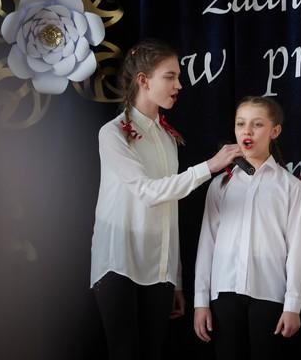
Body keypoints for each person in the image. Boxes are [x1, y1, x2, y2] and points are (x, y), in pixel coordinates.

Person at [90, 39, 243, 360]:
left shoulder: (167, 138)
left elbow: (169, 211)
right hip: (119, 263)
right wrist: (209, 166)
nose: (179, 85)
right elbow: (148, 193)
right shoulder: (112, 133)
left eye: (178, 77)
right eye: (170, 77)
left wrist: (175, 278)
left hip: (159, 272)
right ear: (143, 80)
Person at [193, 96, 301, 360]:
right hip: (224, 291)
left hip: (269, 292)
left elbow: (297, 249)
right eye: (241, 124)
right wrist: (200, 301)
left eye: (257, 124)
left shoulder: (289, 186)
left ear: (274, 131)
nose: (247, 131)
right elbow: (207, 244)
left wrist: (293, 305)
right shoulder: (220, 184)